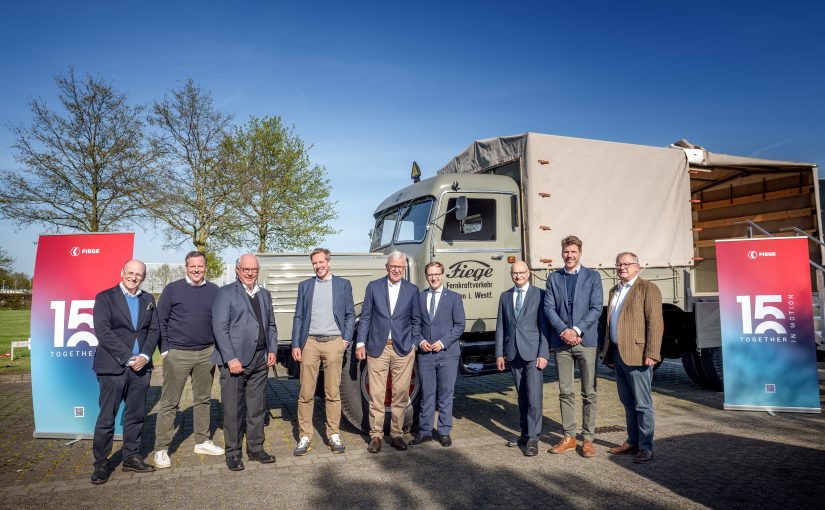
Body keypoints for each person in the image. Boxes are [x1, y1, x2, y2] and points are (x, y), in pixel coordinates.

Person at [90, 259, 160, 484]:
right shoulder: (104, 298)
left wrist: (145, 356)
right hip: (113, 367)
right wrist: (129, 357)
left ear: (144, 276)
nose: (134, 277)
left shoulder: (148, 299)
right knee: (106, 417)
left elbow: (154, 330)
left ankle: (131, 456)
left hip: (141, 368)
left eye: (138, 274)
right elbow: (103, 331)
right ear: (122, 272)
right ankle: (101, 463)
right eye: (130, 272)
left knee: (136, 416)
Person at [153, 251, 223, 469]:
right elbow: (160, 320)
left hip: (205, 353)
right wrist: (165, 350)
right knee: (170, 402)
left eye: (200, 266)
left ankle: (201, 441)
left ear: (205, 267)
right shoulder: (173, 289)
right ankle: (161, 449)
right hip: (178, 354)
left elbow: (219, 320)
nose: (196, 270)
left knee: (202, 399)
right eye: (192, 266)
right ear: (186, 267)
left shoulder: (214, 290)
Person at [211, 253, 277, 471]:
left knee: (257, 407)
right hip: (235, 361)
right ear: (238, 269)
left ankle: (256, 448)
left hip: (260, 358)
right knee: (233, 409)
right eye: (246, 269)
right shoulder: (226, 293)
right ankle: (233, 452)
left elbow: (271, 326)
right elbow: (220, 328)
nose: (250, 273)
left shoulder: (265, 294)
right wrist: (230, 358)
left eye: (254, 270)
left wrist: (272, 349)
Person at [291, 248, 355, 456]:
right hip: (310, 343)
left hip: (334, 343)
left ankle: (333, 434)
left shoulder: (343, 285)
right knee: (306, 393)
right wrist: (296, 344)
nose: (318, 266)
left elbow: (349, 314)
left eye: (321, 262)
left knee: (332, 392)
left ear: (329, 262)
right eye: (314, 263)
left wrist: (345, 340)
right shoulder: (305, 286)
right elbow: (299, 317)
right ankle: (305, 435)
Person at [356, 250, 422, 453]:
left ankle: (396, 434)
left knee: (400, 394)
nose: (396, 270)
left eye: (400, 267)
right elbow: (365, 317)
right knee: (376, 394)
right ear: (387, 267)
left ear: (404, 269)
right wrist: (360, 343)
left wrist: (413, 344)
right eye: (393, 266)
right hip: (378, 347)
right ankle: (375, 436)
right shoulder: (374, 287)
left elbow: (416, 320)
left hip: (403, 349)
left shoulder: (412, 290)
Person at [600, 252, 663, 464]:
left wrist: (652, 353)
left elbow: (655, 323)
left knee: (642, 404)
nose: (622, 268)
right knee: (627, 401)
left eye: (627, 264)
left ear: (637, 267)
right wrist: (609, 352)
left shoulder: (648, 289)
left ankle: (646, 447)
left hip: (638, 355)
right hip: (619, 353)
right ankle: (633, 441)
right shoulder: (614, 290)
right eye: (618, 264)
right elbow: (611, 324)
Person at [543, 236, 603, 458]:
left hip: (586, 341)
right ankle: (569, 436)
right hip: (562, 343)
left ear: (580, 253)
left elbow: (596, 308)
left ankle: (588, 439)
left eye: (573, 252)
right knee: (565, 391)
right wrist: (564, 331)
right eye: (566, 252)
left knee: (589, 392)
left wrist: (576, 331)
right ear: (562, 253)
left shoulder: (593, 277)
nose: (569, 255)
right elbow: (549, 308)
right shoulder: (553, 278)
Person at [495, 260, 549, 457]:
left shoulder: (540, 295)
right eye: (514, 273)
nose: (518, 276)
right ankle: (525, 433)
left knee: (534, 396)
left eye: (521, 273)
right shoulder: (505, 296)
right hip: (513, 352)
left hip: (533, 353)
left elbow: (545, 327)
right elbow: (501, 326)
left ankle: (534, 438)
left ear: (529, 273)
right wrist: (499, 353)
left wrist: (543, 353)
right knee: (522, 396)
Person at [409, 261, 465, 447]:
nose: (433, 278)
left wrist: (442, 343)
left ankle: (444, 431)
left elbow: (459, 325)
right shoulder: (420, 297)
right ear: (427, 277)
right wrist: (421, 341)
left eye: (437, 274)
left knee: (446, 394)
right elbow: (415, 323)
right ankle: (425, 431)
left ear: (442, 275)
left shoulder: (454, 298)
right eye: (430, 275)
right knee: (427, 394)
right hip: (426, 354)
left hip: (447, 353)